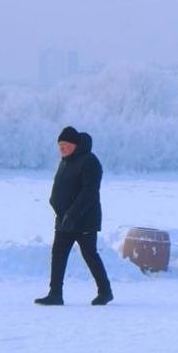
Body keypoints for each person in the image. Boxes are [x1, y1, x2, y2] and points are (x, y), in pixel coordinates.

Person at [35, 126, 113, 306]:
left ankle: (105, 291)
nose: (62, 148)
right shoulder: (65, 161)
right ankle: (55, 294)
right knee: (58, 254)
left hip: (84, 220)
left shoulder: (90, 161)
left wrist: (72, 215)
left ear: (75, 145)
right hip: (63, 219)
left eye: (66, 144)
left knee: (89, 254)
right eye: (60, 145)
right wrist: (56, 206)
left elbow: (89, 193)